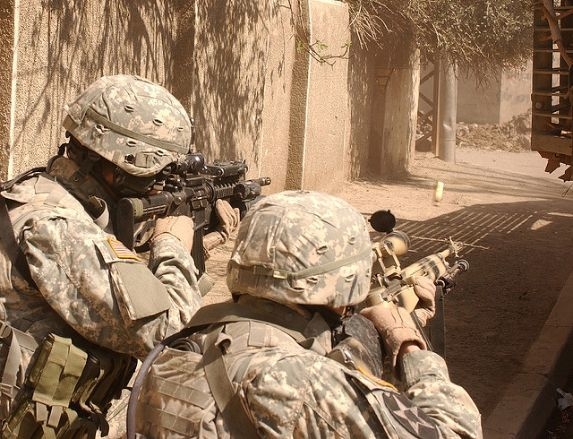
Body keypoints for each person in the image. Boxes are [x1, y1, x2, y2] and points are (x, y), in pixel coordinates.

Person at [133, 190, 483, 438]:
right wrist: (410, 346)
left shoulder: (182, 347)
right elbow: (454, 432)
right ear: (343, 285)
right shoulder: (305, 383)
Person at [0, 74, 238, 437]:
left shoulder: (46, 193)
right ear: (118, 161)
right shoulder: (60, 229)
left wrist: (202, 243)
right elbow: (169, 337)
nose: (160, 184)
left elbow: (116, 280)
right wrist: (172, 246)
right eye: (156, 172)